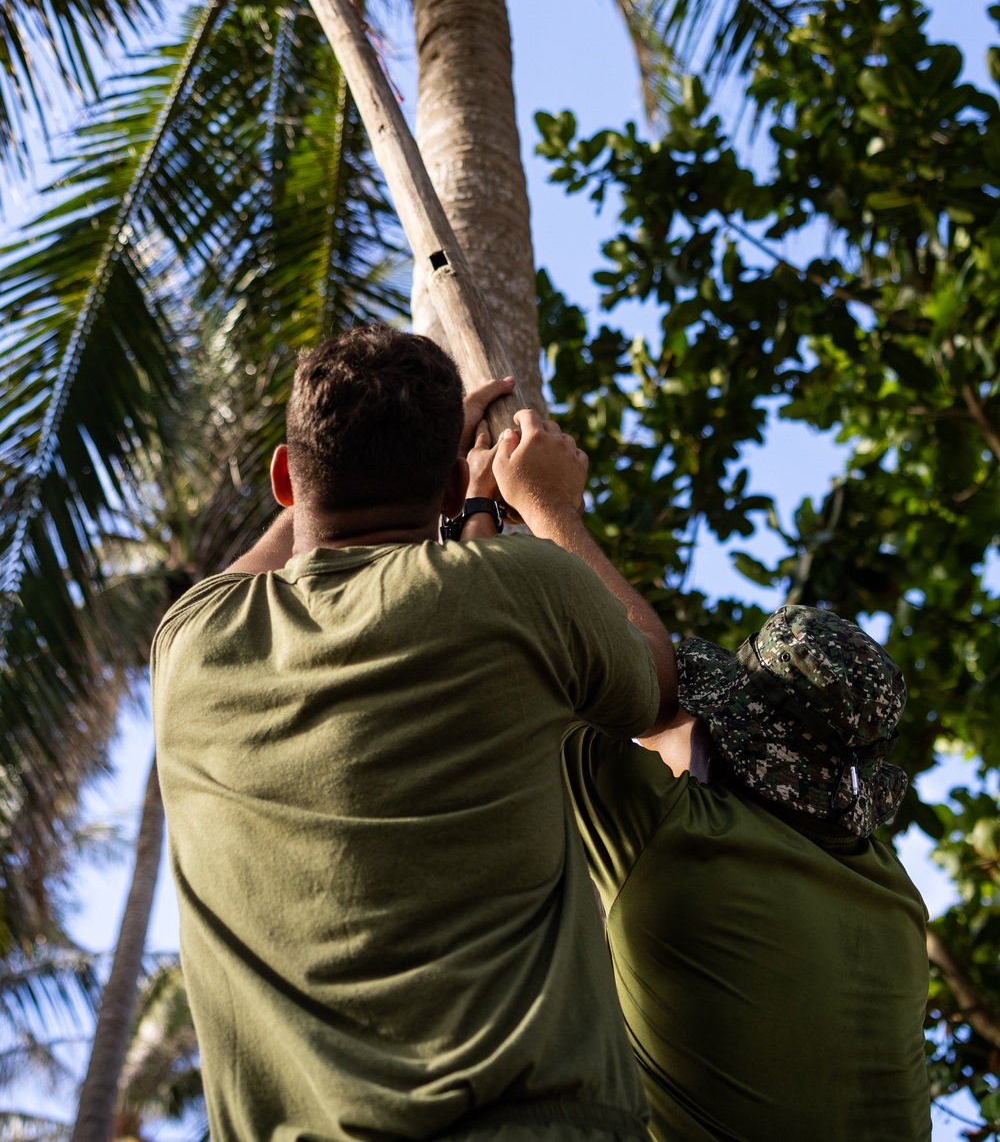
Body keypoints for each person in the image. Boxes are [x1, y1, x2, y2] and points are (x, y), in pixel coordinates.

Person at [150, 325, 680, 1142]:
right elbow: (654, 685)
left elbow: (263, 561)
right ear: (441, 494)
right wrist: (548, 509)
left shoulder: (191, 646)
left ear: (286, 477)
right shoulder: (524, 591)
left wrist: (385, 468)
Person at [561, 604, 931, 1142]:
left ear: (725, 750)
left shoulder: (674, 841)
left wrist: (539, 515)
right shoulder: (894, 895)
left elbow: (531, 631)